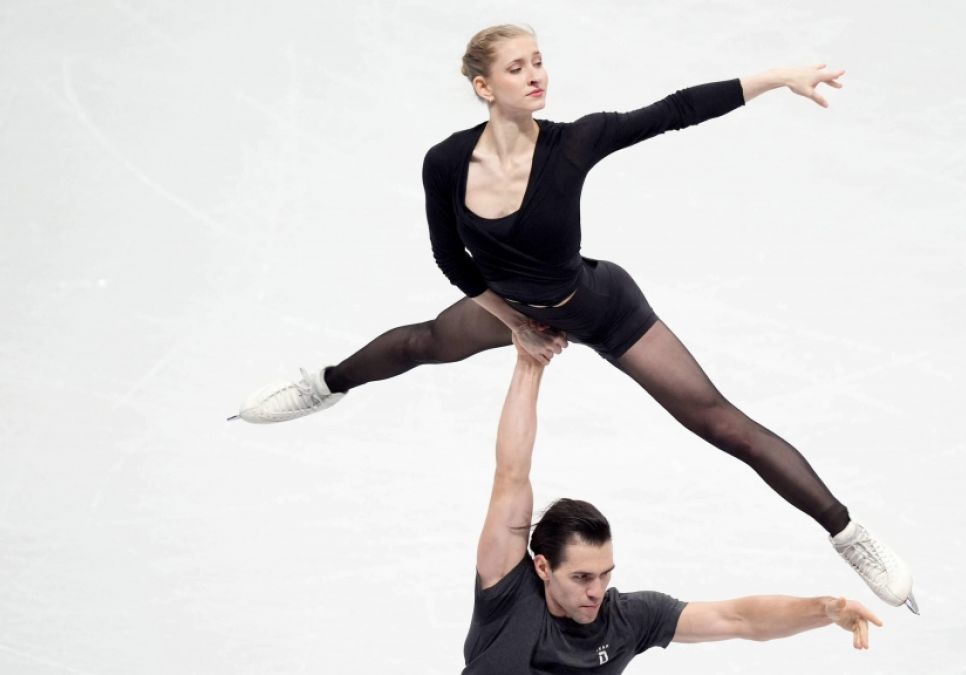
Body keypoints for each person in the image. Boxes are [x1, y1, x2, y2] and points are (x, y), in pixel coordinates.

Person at [232, 24, 917, 612]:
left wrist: (776, 77)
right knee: (423, 341)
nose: (536, 75)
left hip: (599, 305)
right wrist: (514, 323)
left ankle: (848, 533)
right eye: (517, 67)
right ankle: (323, 384)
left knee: (716, 420)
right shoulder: (445, 162)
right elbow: (451, 259)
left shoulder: (573, 143)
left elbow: (675, 110)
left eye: (538, 61)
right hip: (510, 305)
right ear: (483, 85)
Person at [463, 339, 885, 673]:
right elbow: (511, 474)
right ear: (542, 567)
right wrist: (529, 363)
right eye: (581, 577)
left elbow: (738, 618)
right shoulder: (507, 591)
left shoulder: (626, 620)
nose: (596, 591)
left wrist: (824, 610)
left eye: (605, 574)